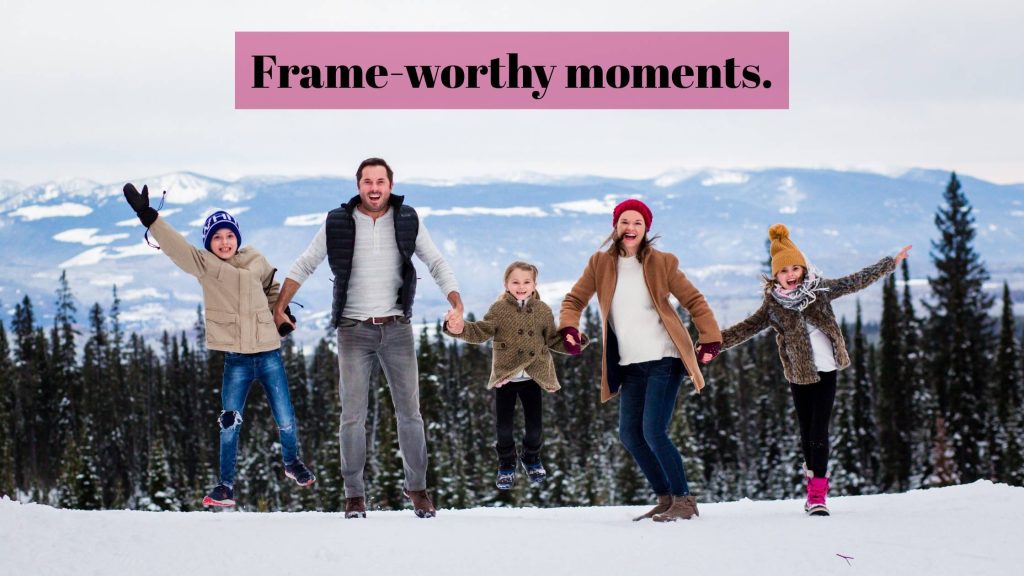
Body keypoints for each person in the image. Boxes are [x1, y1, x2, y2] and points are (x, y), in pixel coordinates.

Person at [273, 158, 462, 519]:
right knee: (352, 417)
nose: (374, 188)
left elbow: (436, 263)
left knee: (411, 414)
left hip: (397, 329)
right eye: (367, 181)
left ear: (390, 184)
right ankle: (354, 495)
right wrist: (280, 305)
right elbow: (304, 264)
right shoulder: (338, 222)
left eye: (380, 181)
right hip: (353, 330)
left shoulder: (407, 219)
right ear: (358, 185)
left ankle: (418, 489)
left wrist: (456, 302)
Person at [121, 184, 315, 509]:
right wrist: (149, 216)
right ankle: (225, 486)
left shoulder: (255, 258)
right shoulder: (206, 266)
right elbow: (177, 248)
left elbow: (270, 285)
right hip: (237, 359)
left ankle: (292, 461)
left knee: (285, 415)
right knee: (229, 421)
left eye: (228, 235)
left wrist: (281, 312)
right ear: (209, 243)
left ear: (237, 237)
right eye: (216, 237)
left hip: (268, 352)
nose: (223, 242)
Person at [721, 223, 911, 516]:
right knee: (807, 430)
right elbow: (745, 329)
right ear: (775, 277)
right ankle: (812, 481)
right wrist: (711, 345)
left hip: (828, 371)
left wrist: (890, 264)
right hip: (799, 375)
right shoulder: (773, 307)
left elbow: (854, 281)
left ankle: (817, 495)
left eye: (795, 269)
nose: (791, 275)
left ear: (803, 269)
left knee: (819, 429)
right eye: (784, 272)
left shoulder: (820, 291)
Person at [559, 199, 722, 522]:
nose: (630, 228)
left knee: (654, 431)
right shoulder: (600, 264)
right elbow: (575, 299)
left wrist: (709, 337)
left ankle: (684, 500)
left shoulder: (663, 262)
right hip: (630, 364)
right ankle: (665, 498)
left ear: (646, 228)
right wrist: (569, 327)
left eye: (637, 222)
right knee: (630, 434)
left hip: (664, 357)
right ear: (615, 227)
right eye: (624, 222)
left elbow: (694, 300)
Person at [444, 261, 588, 490]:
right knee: (504, 428)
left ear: (534, 284)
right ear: (506, 284)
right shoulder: (499, 310)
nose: (521, 286)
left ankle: (531, 458)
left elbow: (552, 339)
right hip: (506, 377)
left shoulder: (542, 310)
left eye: (526, 282)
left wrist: (575, 342)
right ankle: (506, 464)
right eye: (515, 282)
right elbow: (481, 331)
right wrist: (458, 328)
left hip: (533, 376)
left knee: (534, 427)